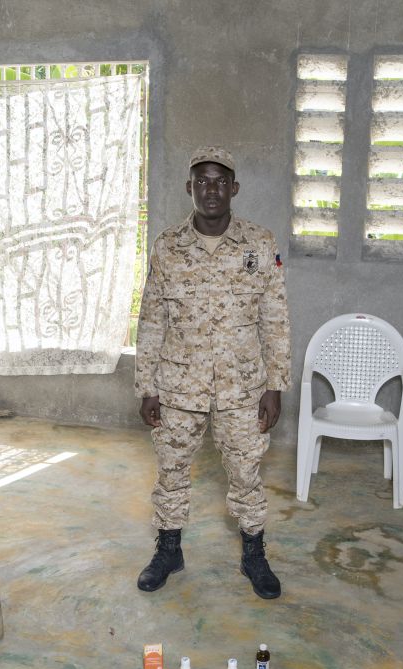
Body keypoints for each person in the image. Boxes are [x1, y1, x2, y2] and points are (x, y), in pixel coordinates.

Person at [134, 146, 291, 599]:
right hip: (178, 384)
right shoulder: (167, 246)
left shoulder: (260, 245)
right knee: (171, 469)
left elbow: (275, 318)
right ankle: (168, 549)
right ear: (189, 188)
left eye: (220, 181)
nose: (211, 189)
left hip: (242, 384)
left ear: (234, 189)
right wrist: (147, 387)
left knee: (246, 470)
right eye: (201, 180)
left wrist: (275, 386)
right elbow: (151, 319)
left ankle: (254, 554)